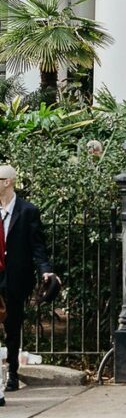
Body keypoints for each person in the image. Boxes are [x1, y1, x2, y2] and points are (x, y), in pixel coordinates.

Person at [0, 165, 57, 392]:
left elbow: (37, 246)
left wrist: (46, 270)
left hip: (15, 278)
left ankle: (13, 373)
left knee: (12, 327)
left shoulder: (27, 211)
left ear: (8, 182)